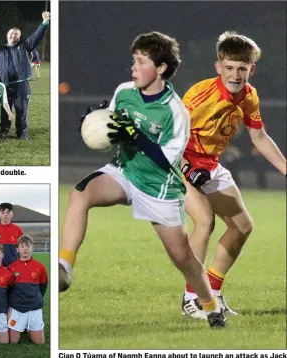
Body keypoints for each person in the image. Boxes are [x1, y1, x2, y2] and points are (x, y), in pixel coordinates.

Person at [58, 31, 226, 329]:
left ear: (161, 68)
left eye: (140, 61)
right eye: (132, 61)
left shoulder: (175, 110)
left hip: (158, 187)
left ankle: (211, 307)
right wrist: (92, 123)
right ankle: (64, 267)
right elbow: (109, 127)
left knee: (183, 257)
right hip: (124, 171)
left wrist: (136, 135)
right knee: (80, 193)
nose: (133, 68)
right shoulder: (124, 91)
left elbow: (166, 160)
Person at [179, 31, 287, 318]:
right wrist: (187, 168)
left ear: (252, 69)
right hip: (179, 162)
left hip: (210, 164)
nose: (235, 74)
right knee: (204, 221)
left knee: (242, 226)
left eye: (242, 68)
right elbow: (168, 136)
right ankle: (192, 300)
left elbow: (260, 137)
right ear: (218, 67)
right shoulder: (200, 95)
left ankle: (212, 292)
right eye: (229, 67)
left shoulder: (249, 96)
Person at [0, 11, 50, 140]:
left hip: (21, 84)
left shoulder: (24, 46)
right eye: (12, 33)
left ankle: (22, 132)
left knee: (21, 109)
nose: (14, 36)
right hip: (5, 86)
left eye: (16, 34)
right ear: (7, 35)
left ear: (19, 37)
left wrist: (44, 22)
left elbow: (36, 36)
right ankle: (4, 131)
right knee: (4, 110)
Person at [8, 236, 47, 344]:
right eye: (22, 246)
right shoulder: (11, 267)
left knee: (39, 342)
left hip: (34, 308)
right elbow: (9, 289)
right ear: (17, 249)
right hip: (17, 308)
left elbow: (43, 287)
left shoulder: (40, 267)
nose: (25, 249)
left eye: (28, 246)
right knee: (13, 342)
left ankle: (30, 327)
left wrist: (35, 299)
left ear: (32, 248)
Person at [0, 203, 23, 267]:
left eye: (8, 212)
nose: (5, 215)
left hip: (14, 265)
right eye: (3, 212)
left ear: (12, 214)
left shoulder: (18, 230)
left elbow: (21, 248)